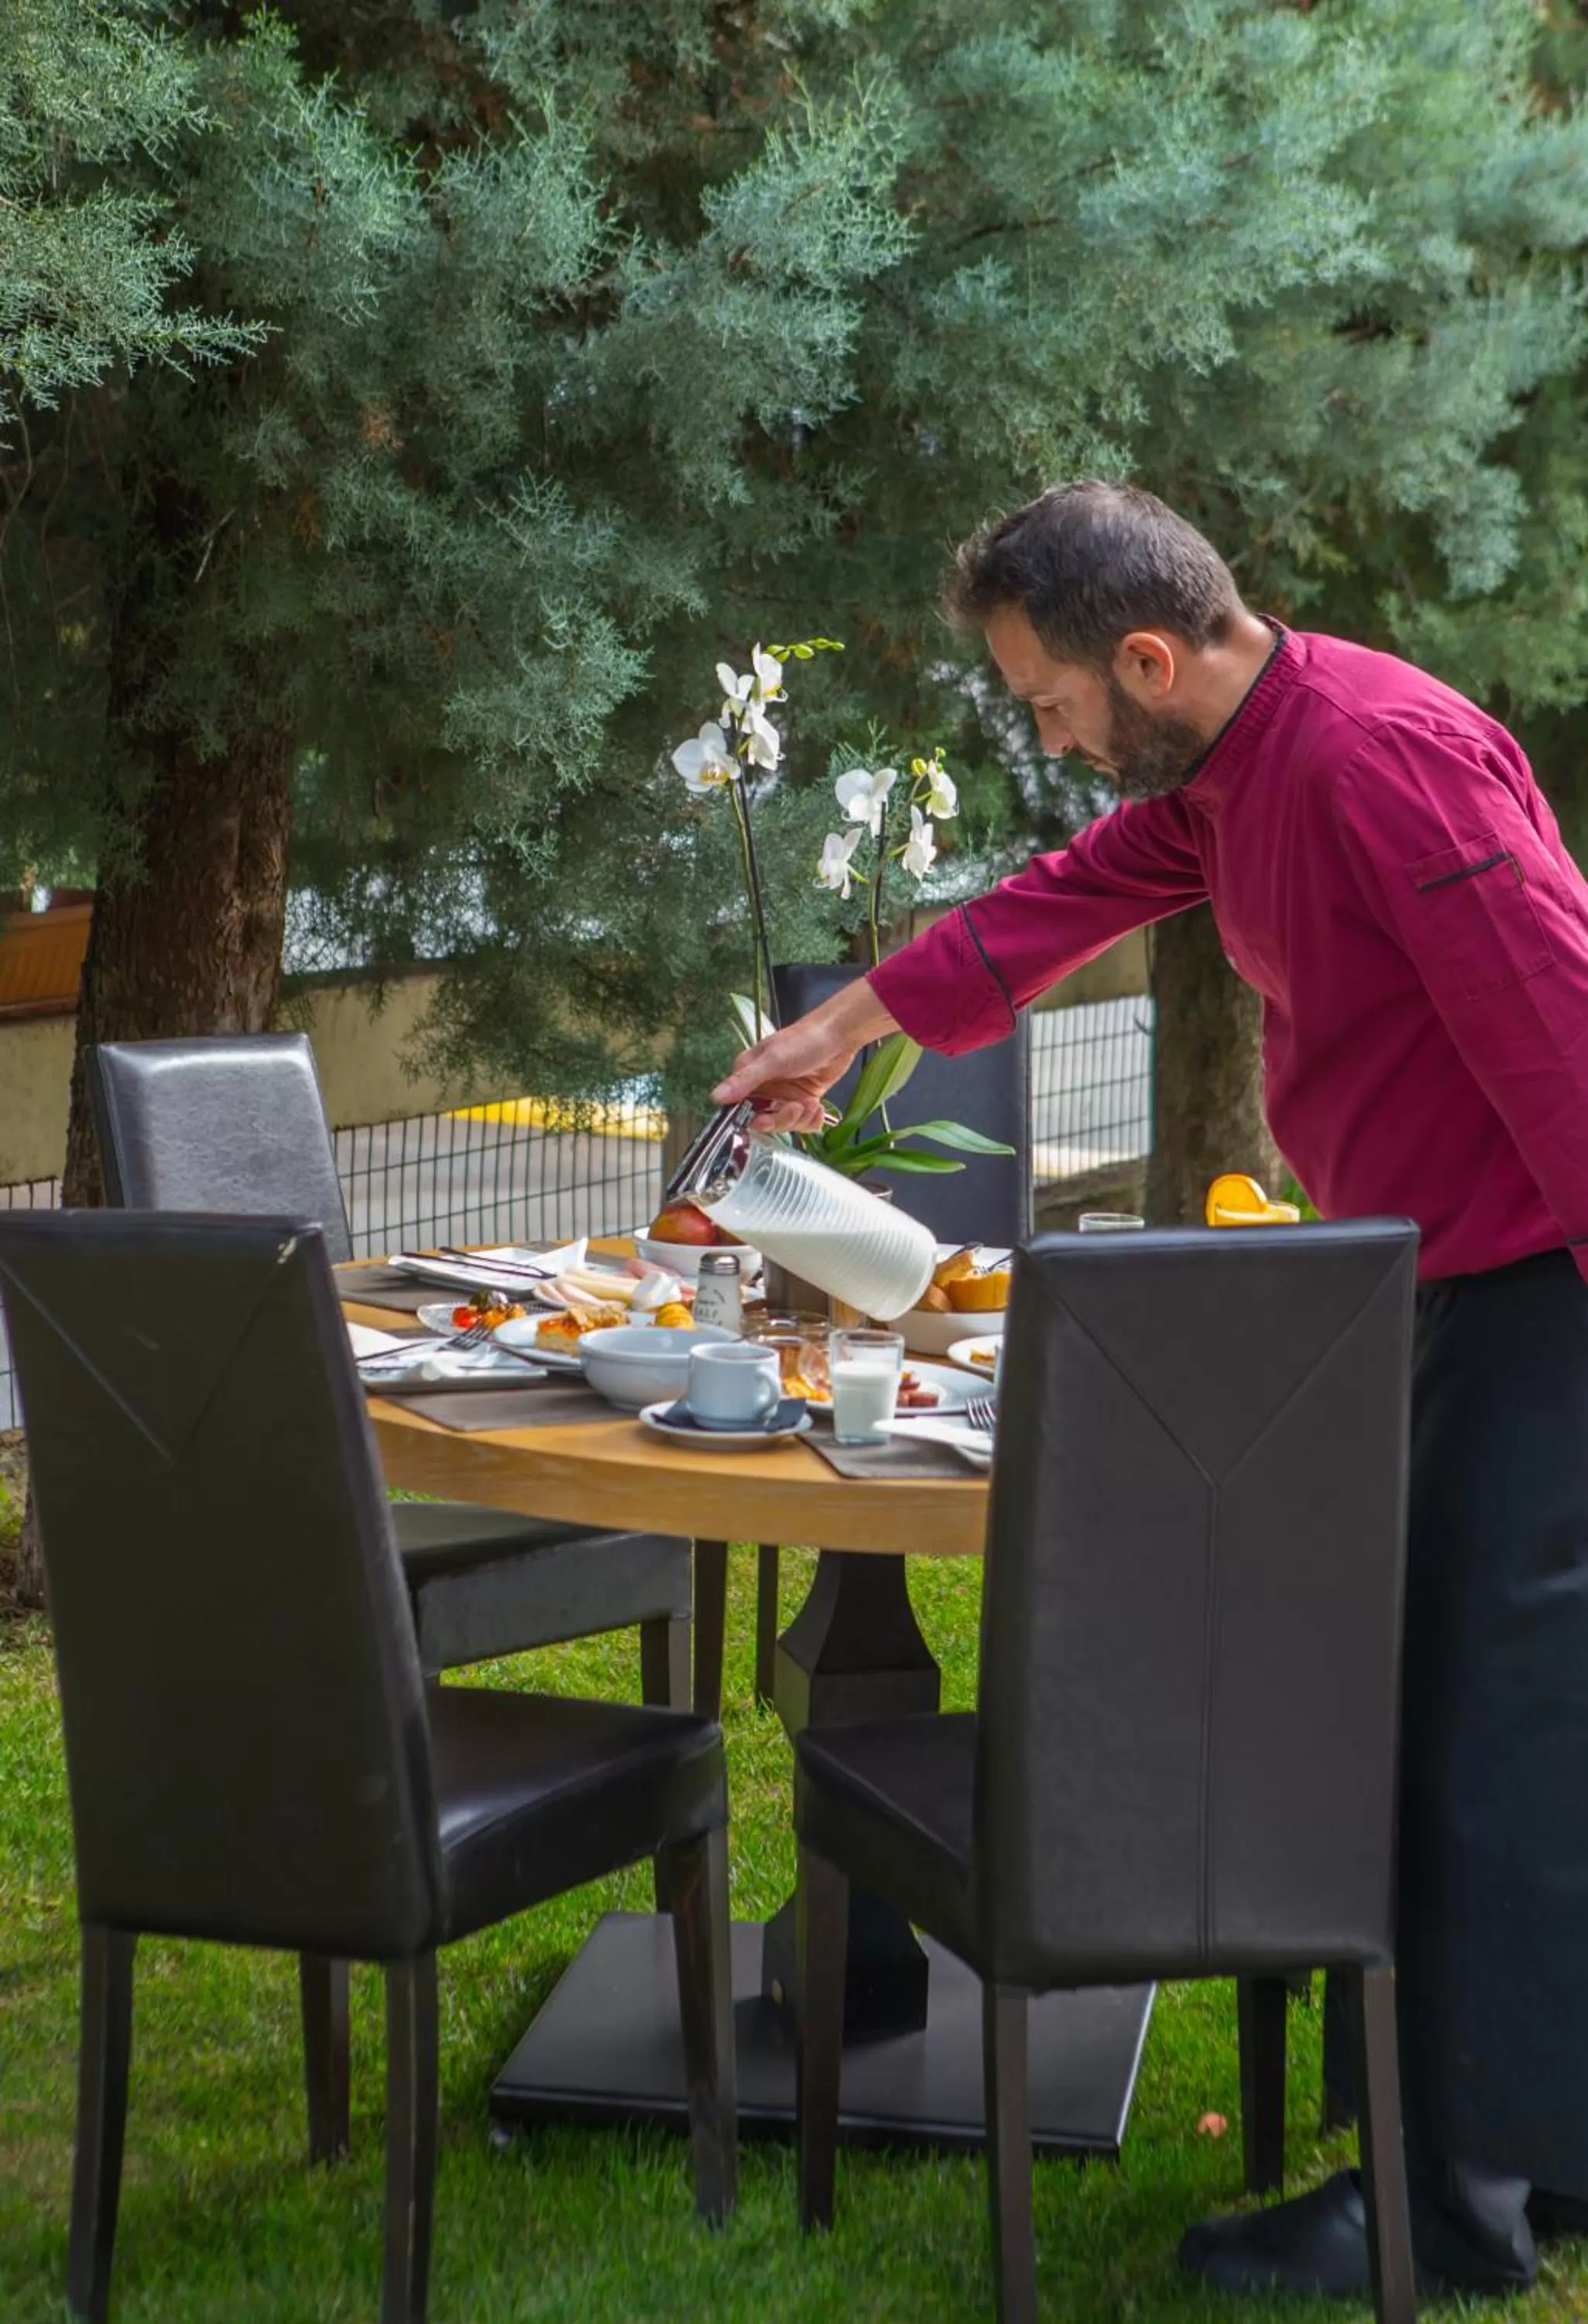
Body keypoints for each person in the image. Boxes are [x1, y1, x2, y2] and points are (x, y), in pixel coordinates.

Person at [714, 480, 1588, 2300]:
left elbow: (1562, 1042)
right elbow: (1065, 897)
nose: (1043, 735)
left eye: (1047, 702)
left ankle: (1458, 2211)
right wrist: (849, 1020)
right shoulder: (1230, 772)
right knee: (1474, 1735)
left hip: (1529, 1306)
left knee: (1479, 1750)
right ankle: (1537, 2148)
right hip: (1430, 1292)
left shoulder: (1372, 762)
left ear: (1145, 654)